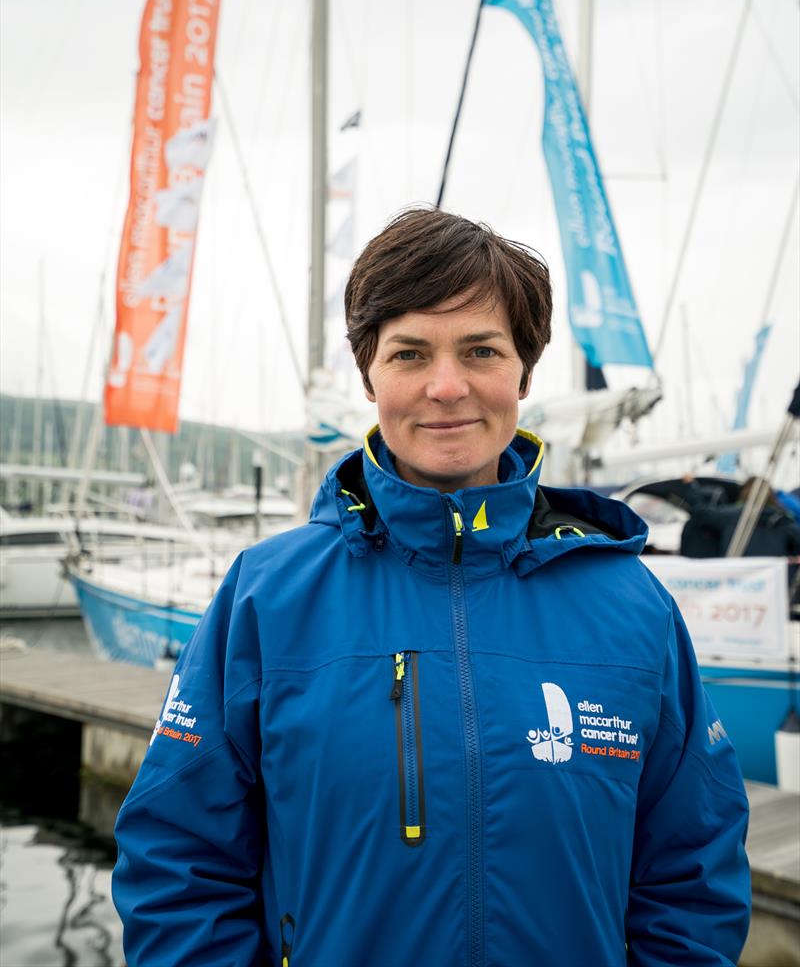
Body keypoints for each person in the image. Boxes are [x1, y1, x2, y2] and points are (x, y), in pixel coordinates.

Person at [113, 208, 750, 966]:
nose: (446, 388)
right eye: (410, 354)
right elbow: (178, 861)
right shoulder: (269, 598)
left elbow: (694, 872)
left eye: (480, 350)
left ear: (523, 372)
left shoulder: (631, 606)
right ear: (370, 374)